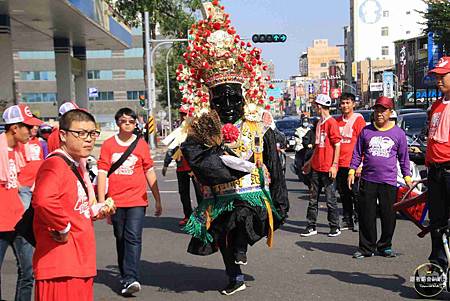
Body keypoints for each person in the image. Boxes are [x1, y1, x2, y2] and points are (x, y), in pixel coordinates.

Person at [177, 2, 289, 295]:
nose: (228, 105)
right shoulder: (202, 129)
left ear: (243, 97)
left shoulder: (259, 127)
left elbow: (275, 169)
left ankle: (241, 247)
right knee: (224, 233)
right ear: (211, 100)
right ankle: (234, 275)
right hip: (218, 197)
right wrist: (227, 160)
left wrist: (281, 200)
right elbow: (200, 164)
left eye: (233, 98)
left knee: (242, 215)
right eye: (220, 99)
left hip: (251, 196)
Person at [96, 108, 162, 297]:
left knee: (133, 237)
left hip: (137, 200)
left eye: (131, 121)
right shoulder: (108, 145)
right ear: (117, 123)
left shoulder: (141, 145)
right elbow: (102, 172)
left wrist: (157, 199)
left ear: (135, 124)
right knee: (120, 238)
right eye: (123, 121)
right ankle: (125, 275)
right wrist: (101, 202)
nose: (127, 124)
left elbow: (149, 171)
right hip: (115, 201)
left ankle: (131, 278)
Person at [348, 96, 412, 259]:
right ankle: (366, 248)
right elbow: (357, 153)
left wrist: (407, 176)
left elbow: (404, 158)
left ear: (390, 112)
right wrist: (351, 169)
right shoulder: (366, 131)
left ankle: (385, 246)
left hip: (388, 181)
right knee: (366, 215)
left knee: (388, 215)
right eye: (377, 109)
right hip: (368, 180)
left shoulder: (398, 133)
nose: (379, 113)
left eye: (383, 110)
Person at [0, 104, 42, 301]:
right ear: (14, 128)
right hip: (0, 224)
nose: (32, 130)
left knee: (28, 273)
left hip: (20, 221)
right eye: (28, 126)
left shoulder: (21, 151)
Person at [301, 94, 341, 237]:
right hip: (317, 167)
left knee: (330, 199)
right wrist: (309, 162)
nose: (315, 108)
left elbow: (337, 145)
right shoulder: (319, 124)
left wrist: (334, 165)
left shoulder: (332, 123)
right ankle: (311, 226)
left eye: (315, 106)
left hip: (328, 167)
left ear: (319, 106)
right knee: (313, 198)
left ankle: (334, 226)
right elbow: (318, 147)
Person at [424, 56, 450, 271]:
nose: (438, 80)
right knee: (437, 222)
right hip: (435, 170)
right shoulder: (436, 105)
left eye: (443, 76)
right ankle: (438, 264)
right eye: (436, 76)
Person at [162, 105, 202, 226]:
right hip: (181, 167)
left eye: (186, 114)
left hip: (195, 168)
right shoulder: (179, 131)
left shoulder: (197, 130)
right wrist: (165, 164)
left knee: (200, 193)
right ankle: (188, 216)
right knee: (183, 193)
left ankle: (202, 216)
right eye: (182, 114)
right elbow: (171, 148)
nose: (183, 117)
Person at [335, 93, 366, 231]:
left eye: (348, 103)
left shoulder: (358, 120)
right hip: (340, 164)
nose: (345, 106)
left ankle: (359, 219)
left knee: (356, 194)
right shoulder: (336, 121)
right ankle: (347, 219)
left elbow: (364, 142)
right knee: (343, 194)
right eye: (343, 103)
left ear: (353, 104)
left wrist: (361, 164)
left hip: (354, 165)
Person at [291, 117, 310, 181]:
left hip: (308, 149)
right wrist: (302, 142)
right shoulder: (298, 130)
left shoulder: (309, 130)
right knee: (299, 163)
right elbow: (297, 139)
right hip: (300, 149)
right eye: (304, 121)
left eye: (306, 121)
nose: (305, 123)